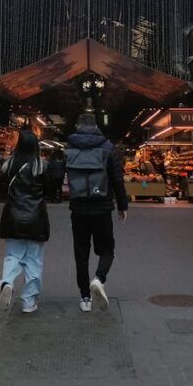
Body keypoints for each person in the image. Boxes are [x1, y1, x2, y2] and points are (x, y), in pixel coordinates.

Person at [65, 113, 128, 313]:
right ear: (96, 126)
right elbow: (117, 179)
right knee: (107, 249)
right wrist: (122, 206)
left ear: (77, 125)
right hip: (102, 208)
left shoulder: (70, 147)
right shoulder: (107, 148)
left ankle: (85, 298)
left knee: (81, 254)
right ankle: (99, 278)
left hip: (78, 209)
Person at [0, 129, 49, 314]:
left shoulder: (7, 165)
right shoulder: (41, 166)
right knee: (34, 261)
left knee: (13, 255)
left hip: (12, 218)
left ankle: (7, 282)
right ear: (36, 146)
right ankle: (28, 302)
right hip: (36, 218)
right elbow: (49, 192)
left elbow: (2, 191)